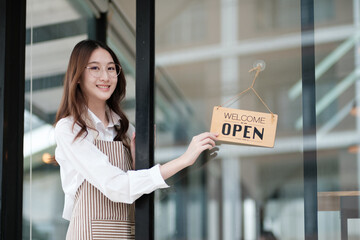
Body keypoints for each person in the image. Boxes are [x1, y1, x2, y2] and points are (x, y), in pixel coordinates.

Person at [54, 39, 218, 239]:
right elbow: (116, 186)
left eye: (111, 68)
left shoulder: (125, 129)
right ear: (77, 76)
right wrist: (184, 159)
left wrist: (136, 163)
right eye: (95, 68)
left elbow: (141, 187)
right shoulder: (70, 129)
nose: (105, 76)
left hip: (128, 232)